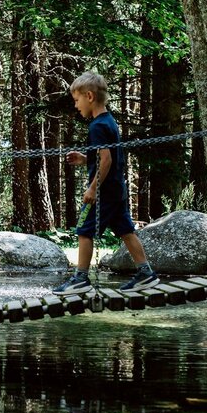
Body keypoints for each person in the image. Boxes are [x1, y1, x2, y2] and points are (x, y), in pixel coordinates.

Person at [53, 71, 159, 295]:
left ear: (89, 96)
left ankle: (80, 278)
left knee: (84, 230)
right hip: (115, 189)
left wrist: (92, 188)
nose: (76, 105)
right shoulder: (108, 121)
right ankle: (146, 273)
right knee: (126, 230)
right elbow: (106, 156)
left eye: (76, 100)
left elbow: (107, 159)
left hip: (103, 192)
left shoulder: (97, 126)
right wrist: (85, 159)